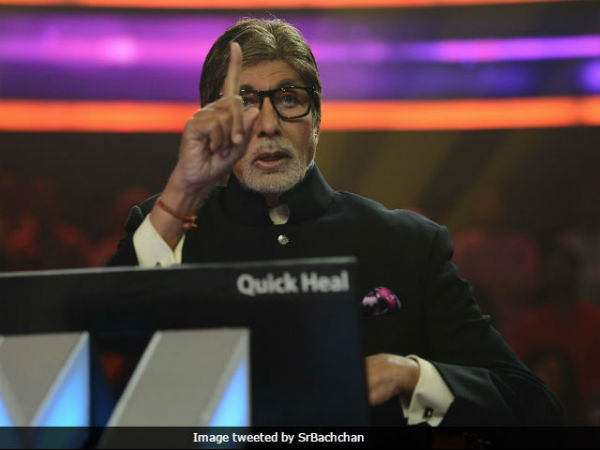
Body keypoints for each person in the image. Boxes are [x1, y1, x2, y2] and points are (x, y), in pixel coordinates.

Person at [109, 18, 564, 426]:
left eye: (288, 99)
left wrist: (409, 375)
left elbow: (534, 407)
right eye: (244, 103)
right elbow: (100, 346)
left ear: (317, 117)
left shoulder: (406, 243)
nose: (267, 124)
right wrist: (183, 189)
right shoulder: (166, 226)